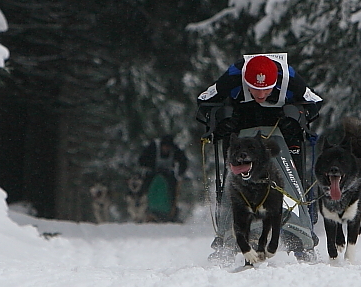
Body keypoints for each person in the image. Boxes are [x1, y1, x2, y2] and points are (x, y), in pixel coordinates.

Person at [196, 53, 322, 262]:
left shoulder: (288, 77)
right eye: (255, 88)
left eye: (267, 88)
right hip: (242, 125)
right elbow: (204, 101)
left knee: (286, 170)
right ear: (245, 81)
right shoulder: (234, 76)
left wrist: (296, 118)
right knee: (239, 173)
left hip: (279, 126)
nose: (261, 94)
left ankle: (300, 231)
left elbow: (314, 102)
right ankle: (229, 233)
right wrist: (220, 122)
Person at [137, 134, 188, 221]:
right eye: (165, 147)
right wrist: (151, 166)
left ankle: (172, 210)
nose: (166, 149)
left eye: (168, 148)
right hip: (153, 172)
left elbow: (183, 161)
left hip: (168, 174)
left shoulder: (175, 149)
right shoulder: (153, 147)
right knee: (145, 186)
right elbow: (142, 160)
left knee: (172, 188)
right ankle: (142, 207)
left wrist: (180, 173)